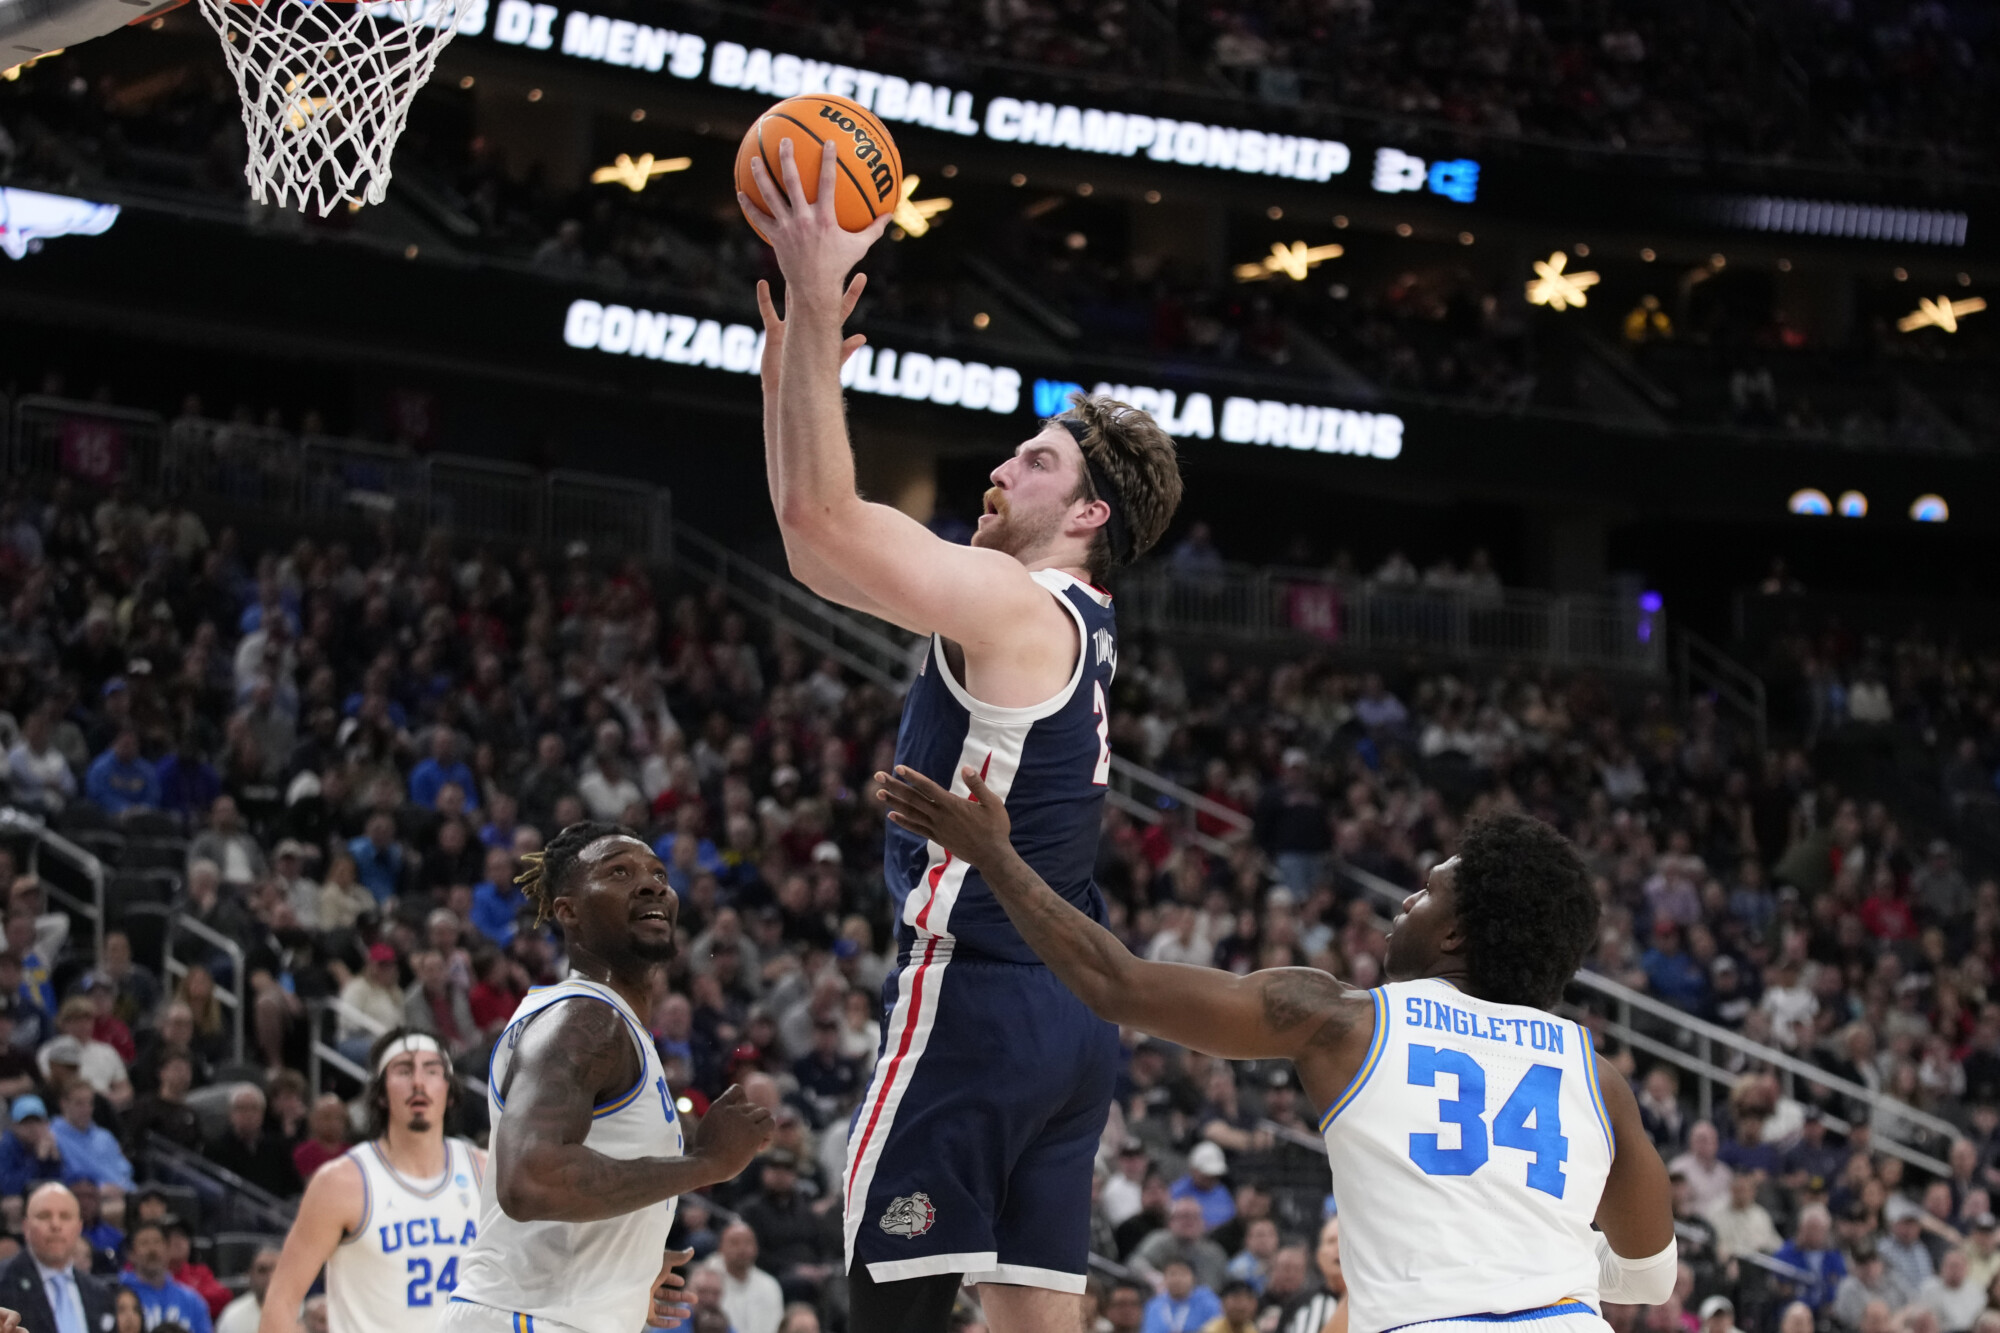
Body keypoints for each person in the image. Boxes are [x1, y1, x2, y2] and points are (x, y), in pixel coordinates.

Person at [748, 133, 1185, 1333]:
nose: (1001, 468)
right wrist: (797, 365)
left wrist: (807, 279)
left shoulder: (1014, 601)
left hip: (978, 1001)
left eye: (1034, 461)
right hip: (1070, 1019)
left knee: (885, 1313)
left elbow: (816, 515)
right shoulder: (1074, 623)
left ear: (1086, 512)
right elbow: (807, 541)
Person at [874, 777, 1677, 1333]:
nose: (1406, 898)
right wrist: (1538, 1267)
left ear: (1460, 932)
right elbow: (1649, 1277)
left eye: (1427, 891)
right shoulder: (1597, 1077)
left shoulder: (1343, 1019)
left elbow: (1115, 980)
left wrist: (995, 856)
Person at [440, 823, 775, 1333]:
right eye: (618, 872)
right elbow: (531, 1179)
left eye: (658, 873)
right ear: (567, 910)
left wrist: (626, 1263)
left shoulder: (608, 1022)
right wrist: (706, 1164)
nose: (651, 884)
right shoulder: (583, 1020)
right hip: (529, 1318)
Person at [260, 1030, 483, 1333]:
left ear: (450, 1089)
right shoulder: (340, 1183)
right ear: (380, 1093)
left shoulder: (485, 1173)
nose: (418, 1082)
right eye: (403, 1070)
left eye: (432, 1070)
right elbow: (280, 1304)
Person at [1, 1183, 114, 1333]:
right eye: (44, 1216)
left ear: (79, 1227)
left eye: (65, 1216)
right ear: (26, 1227)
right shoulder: (3, 1282)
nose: (55, 1225)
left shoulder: (100, 1294)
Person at [122, 1218, 214, 1332]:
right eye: (144, 1243)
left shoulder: (192, 1301)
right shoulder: (119, 1298)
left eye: (157, 1242)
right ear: (131, 1254)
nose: (152, 1249)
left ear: (168, 1250)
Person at [705, 1221, 783, 1333]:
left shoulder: (769, 1285)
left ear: (756, 1248)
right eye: (734, 1243)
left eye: (748, 1243)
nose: (742, 1249)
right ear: (720, 1247)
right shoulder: (706, 1282)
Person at [217, 1246, 279, 1333]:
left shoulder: (301, 1313)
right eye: (262, 1270)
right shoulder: (232, 1316)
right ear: (250, 1275)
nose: (270, 1277)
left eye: (276, 1270)